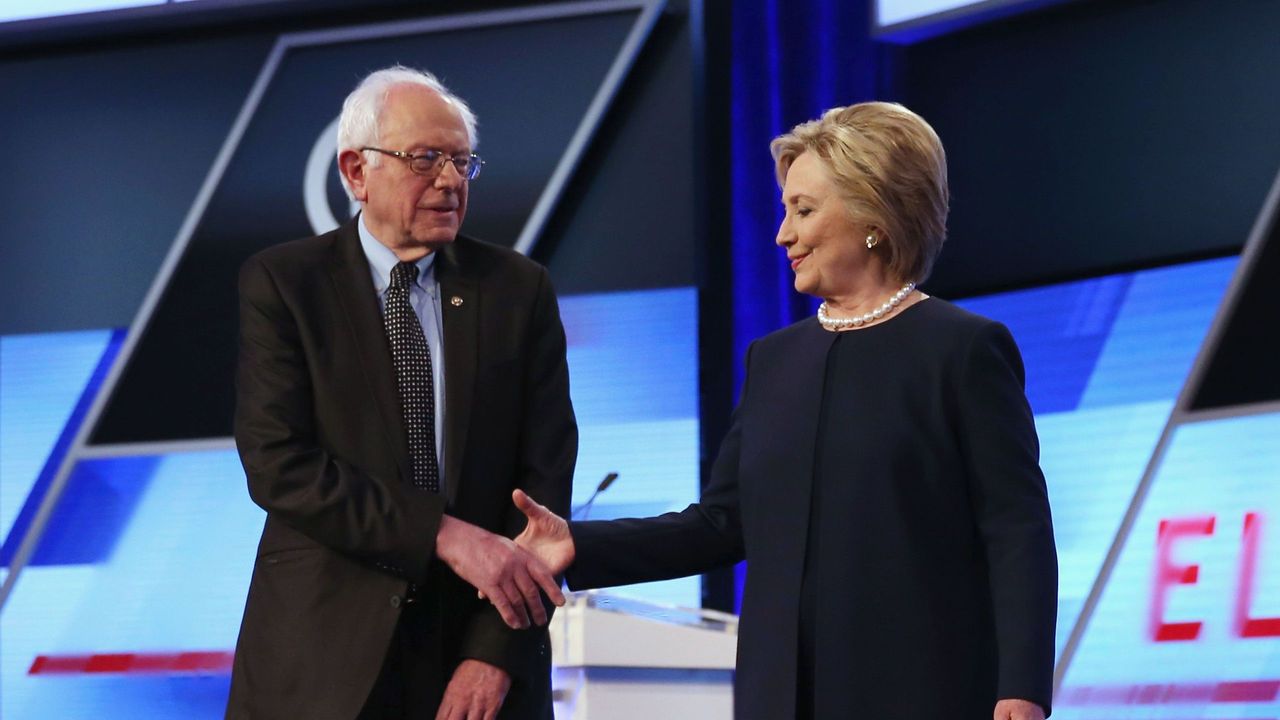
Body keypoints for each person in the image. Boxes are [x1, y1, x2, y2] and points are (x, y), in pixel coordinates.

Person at [512, 102, 1057, 720]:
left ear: (873, 213)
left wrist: (1022, 688)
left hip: (920, 690)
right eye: (784, 210)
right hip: (780, 698)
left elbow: (1017, 531)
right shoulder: (774, 361)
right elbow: (722, 524)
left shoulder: (962, 350)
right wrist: (577, 545)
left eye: (804, 210)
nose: (783, 234)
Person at [227, 66, 577, 720]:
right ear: (356, 172)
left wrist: (495, 654)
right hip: (320, 662)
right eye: (425, 160)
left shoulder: (516, 291)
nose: (448, 180)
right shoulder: (285, 284)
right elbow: (280, 466)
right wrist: (442, 534)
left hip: (473, 655)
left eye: (461, 163)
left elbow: (543, 483)